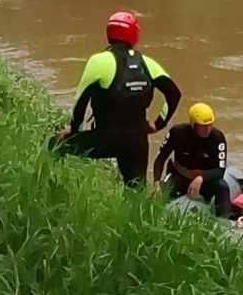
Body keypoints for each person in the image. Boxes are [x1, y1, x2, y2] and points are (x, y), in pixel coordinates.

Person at [50, 11, 181, 188]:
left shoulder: (98, 61)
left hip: (105, 139)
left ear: (109, 33)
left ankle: (50, 187)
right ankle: (136, 214)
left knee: (54, 145)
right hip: (136, 141)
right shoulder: (147, 63)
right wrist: (158, 124)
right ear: (135, 35)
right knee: (135, 192)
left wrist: (73, 129)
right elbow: (174, 94)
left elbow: (80, 102)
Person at [152, 102, 231, 216]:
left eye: (210, 125)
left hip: (205, 181)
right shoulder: (177, 132)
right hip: (180, 177)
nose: (207, 129)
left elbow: (220, 170)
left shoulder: (217, 138)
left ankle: (223, 221)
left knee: (222, 187)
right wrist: (156, 181)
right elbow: (160, 158)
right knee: (161, 193)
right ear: (194, 125)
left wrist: (201, 177)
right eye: (203, 126)